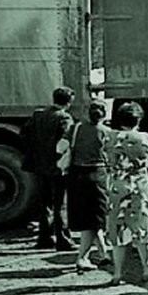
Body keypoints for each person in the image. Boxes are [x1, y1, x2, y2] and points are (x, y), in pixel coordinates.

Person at [106, 102, 148, 286]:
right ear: (139, 119)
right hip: (139, 185)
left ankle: (117, 273)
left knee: (118, 230)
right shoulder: (145, 138)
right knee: (143, 228)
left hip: (117, 186)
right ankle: (146, 269)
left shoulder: (110, 138)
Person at [20, 86, 76, 250]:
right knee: (60, 203)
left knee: (45, 202)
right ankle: (63, 239)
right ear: (69, 102)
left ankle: (45, 237)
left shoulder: (38, 115)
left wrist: (35, 151)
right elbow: (65, 143)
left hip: (39, 164)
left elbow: (24, 134)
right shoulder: (64, 118)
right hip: (58, 166)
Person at [66, 99, 112, 273]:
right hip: (97, 175)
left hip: (76, 175)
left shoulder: (75, 128)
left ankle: (103, 253)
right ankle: (82, 258)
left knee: (88, 218)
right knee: (96, 219)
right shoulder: (107, 132)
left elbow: (60, 147)